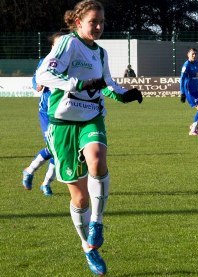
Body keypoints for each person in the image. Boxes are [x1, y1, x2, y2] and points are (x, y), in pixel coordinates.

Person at [36, 0, 143, 275]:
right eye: (93, 21)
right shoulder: (68, 44)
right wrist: (77, 83)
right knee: (79, 198)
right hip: (62, 124)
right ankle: (88, 248)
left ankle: (97, 222)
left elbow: (105, 84)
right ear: (78, 22)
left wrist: (124, 94)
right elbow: (43, 73)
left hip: (91, 118)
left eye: (102, 22)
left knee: (96, 160)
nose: (98, 26)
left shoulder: (102, 53)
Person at [22, 32, 65, 196]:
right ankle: (31, 171)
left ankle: (45, 183)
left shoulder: (70, 62)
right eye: (57, 44)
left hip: (66, 112)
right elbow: (36, 84)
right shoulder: (45, 62)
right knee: (54, 148)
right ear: (52, 46)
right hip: (47, 112)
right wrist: (39, 83)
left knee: (60, 149)